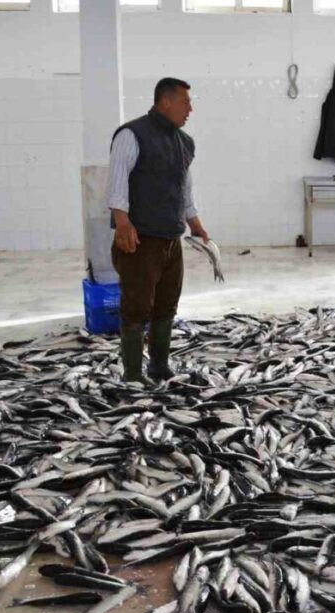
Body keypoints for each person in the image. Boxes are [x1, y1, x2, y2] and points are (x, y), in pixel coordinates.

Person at [107, 77, 210, 384]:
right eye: (185, 102)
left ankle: (159, 367)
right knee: (137, 306)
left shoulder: (185, 142)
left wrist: (194, 222)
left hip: (170, 237)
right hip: (140, 238)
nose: (190, 109)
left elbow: (183, 187)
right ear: (165, 102)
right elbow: (117, 179)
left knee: (167, 303)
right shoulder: (131, 134)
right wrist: (122, 221)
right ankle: (133, 374)